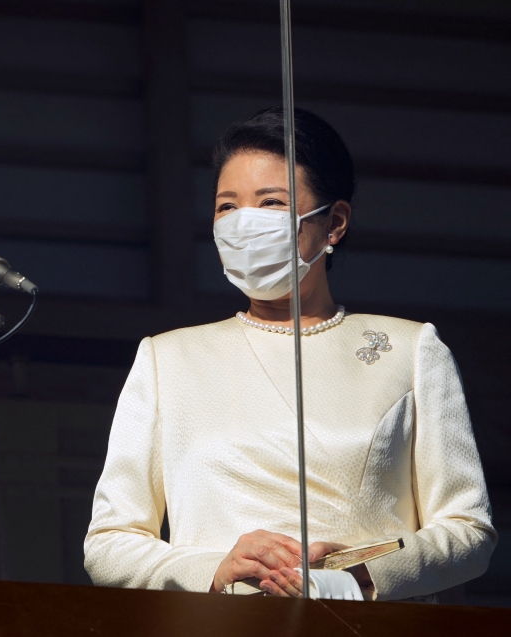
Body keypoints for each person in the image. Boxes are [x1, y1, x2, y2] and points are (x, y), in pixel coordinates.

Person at [83, 107, 495, 601]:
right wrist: (216, 568)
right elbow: (108, 545)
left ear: (334, 223)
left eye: (272, 202)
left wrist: (363, 571)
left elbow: (469, 532)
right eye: (227, 206)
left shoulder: (410, 349)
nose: (244, 222)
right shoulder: (166, 359)